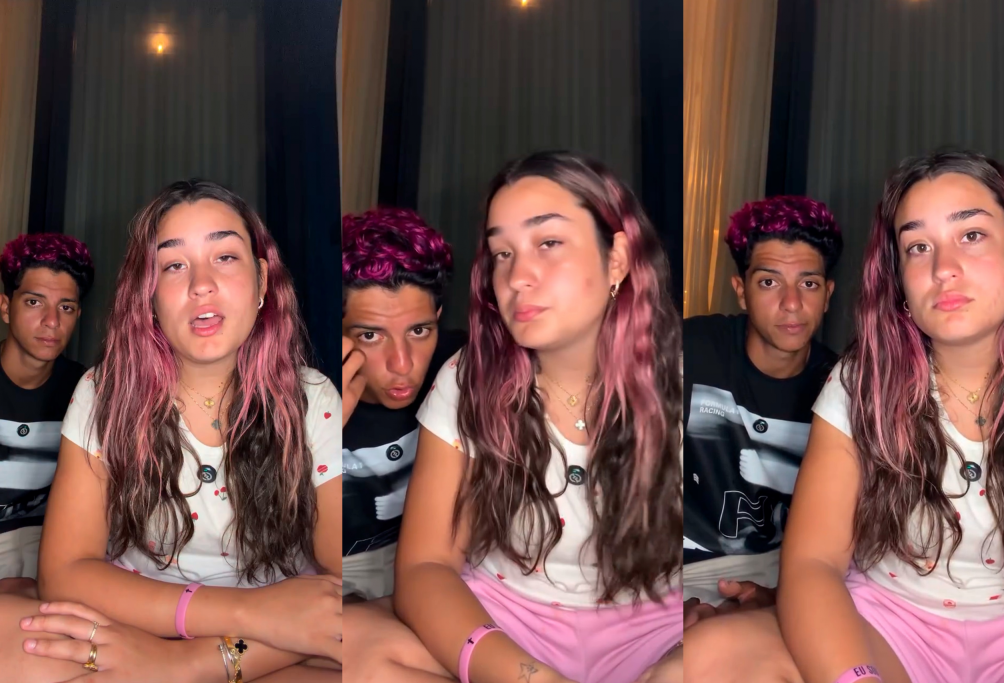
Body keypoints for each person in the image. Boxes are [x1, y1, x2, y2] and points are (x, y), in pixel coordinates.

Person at [343, 151, 685, 683]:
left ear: (617, 258)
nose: (518, 276)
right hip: (505, 623)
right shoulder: (469, 377)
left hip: (655, 632)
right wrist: (528, 676)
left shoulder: (688, 376)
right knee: (356, 644)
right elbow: (426, 567)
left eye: (548, 243)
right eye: (502, 253)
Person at [686, 149, 1004, 683]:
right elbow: (813, 562)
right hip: (891, 626)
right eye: (918, 247)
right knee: (708, 656)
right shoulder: (859, 382)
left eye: (972, 235)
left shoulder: (826, 368)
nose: (943, 268)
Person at [0, 180, 342, 682]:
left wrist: (190, 663)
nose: (201, 283)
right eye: (173, 265)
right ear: (148, 295)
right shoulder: (102, 392)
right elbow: (65, 572)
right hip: (143, 619)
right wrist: (241, 612)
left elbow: (334, 595)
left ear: (263, 280)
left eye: (225, 256)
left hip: (270, 641)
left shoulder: (313, 399)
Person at [682, 196, 843, 627]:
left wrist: (779, 598)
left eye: (809, 284)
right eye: (769, 282)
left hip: (785, 572)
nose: (791, 303)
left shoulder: (844, 387)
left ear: (827, 295)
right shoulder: (689, 350)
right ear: (741, 290)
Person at [341, 207, 467, 601]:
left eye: (418, 330)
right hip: (335, 571)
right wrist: (320, 424)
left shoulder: (461, 369)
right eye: (371, 335)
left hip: (440, 561)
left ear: (438, 317)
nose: (402, 364)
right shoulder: (299, 388)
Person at [0, 234, 92, 583]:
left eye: (65, 307)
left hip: (55, 556)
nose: (52, 321)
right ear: (6, 307)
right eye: (34, 302)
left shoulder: (89, 392)